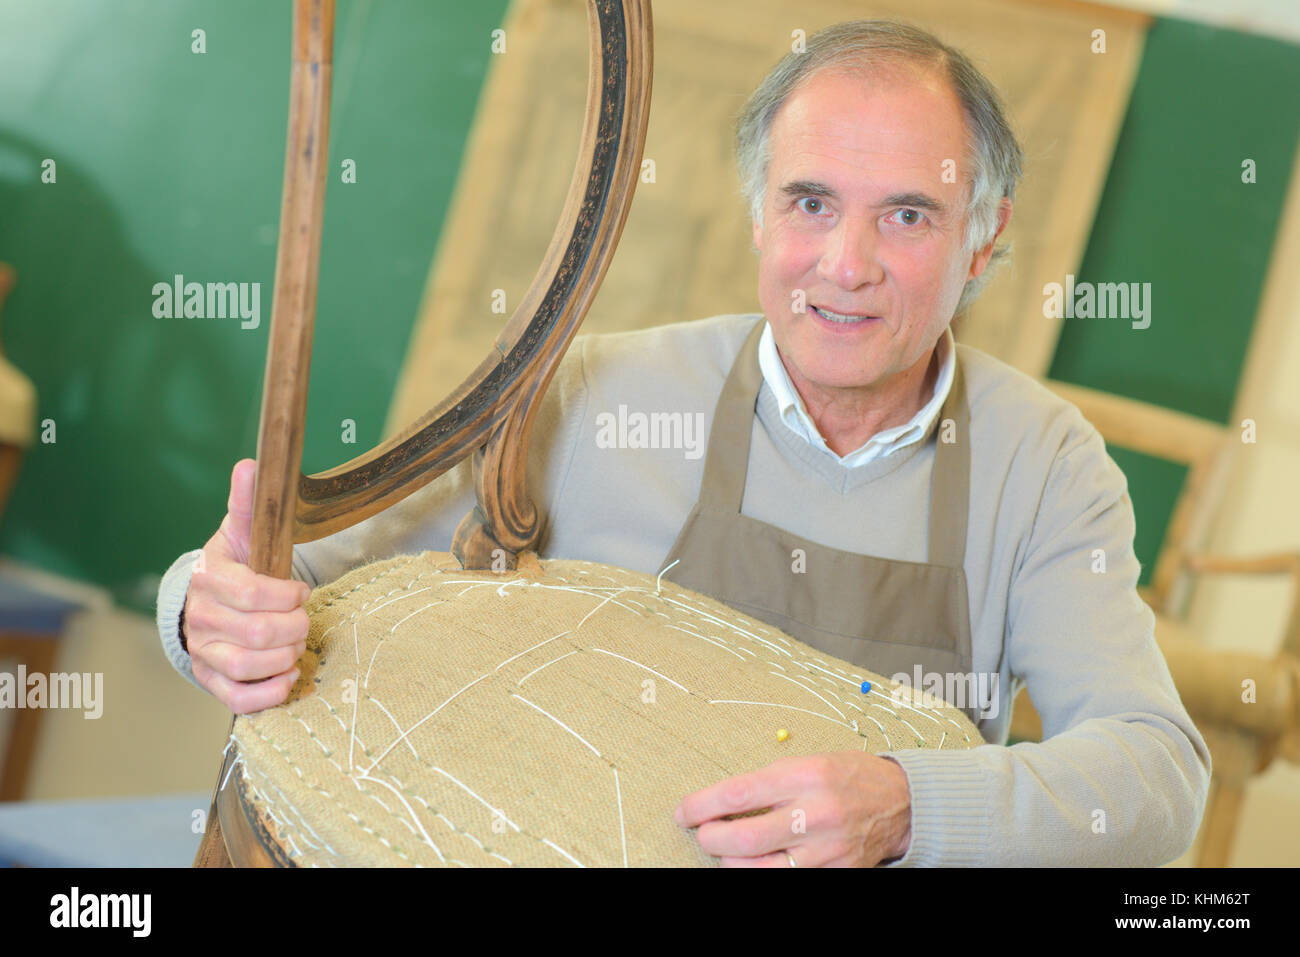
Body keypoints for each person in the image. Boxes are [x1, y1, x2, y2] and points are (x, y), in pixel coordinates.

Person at [155, 19, 1211, 867]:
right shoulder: (587, 388)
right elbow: (278, 577)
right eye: (809, 202)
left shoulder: (1045, 464)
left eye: (907, 216)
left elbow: (1156, 777)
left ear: (984, 236)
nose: (845, 265)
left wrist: (906, 805)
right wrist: (207, 610)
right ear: (757, 212)